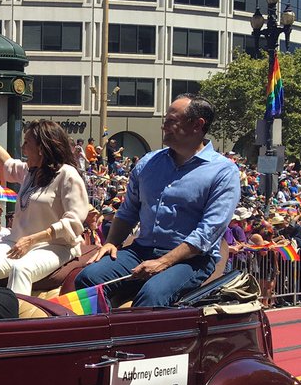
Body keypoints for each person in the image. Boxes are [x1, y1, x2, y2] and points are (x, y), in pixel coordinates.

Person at [74, 95, 240, 308]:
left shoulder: (224, 172)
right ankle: (97, 338)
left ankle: (136, 341)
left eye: (172, 121)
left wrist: (163, 262)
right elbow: (127, 212)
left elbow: (206, 234)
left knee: (152, 295)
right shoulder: (148, 163)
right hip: (141, 251)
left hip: (192, 260)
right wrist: (110, 243)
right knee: (88, 279)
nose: (164, 126)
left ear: (198, 125)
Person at [0, 116, 90, 296]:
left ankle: (13, 320)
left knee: (20, 269)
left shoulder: (68, 174)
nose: (22, 148)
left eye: (26, 142)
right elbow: (5, 161)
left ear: (41, 148)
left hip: (57, 245)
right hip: (17, 242)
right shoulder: (30, 171)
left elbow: (74, 222)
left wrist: (33, 239)